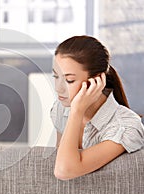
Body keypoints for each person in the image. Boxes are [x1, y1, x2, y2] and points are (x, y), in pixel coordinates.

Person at [50, 35, 144, 180]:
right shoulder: (61, 109)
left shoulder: (126, 127)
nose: (58, 88)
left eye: (69, 80)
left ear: (96, 81)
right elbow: (59, 160)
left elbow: (64, 171)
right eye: (56, 77)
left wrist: (77, 111)